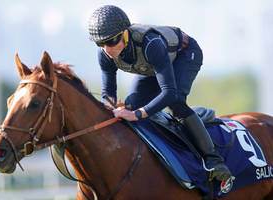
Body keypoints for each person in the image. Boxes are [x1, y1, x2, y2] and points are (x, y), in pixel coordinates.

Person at [88, 5, 231, 181]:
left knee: (175, 102)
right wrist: (111, 107)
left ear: (125, 33)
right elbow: (108, 92)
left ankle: (213, 159)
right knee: (131, 105)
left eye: (111, 42)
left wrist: (136, 114)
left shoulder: (151, 43)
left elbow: (169, 92)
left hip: (184, 55)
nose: (107, 49)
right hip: (153, 68)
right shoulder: (104, 54)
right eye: (100, 43)